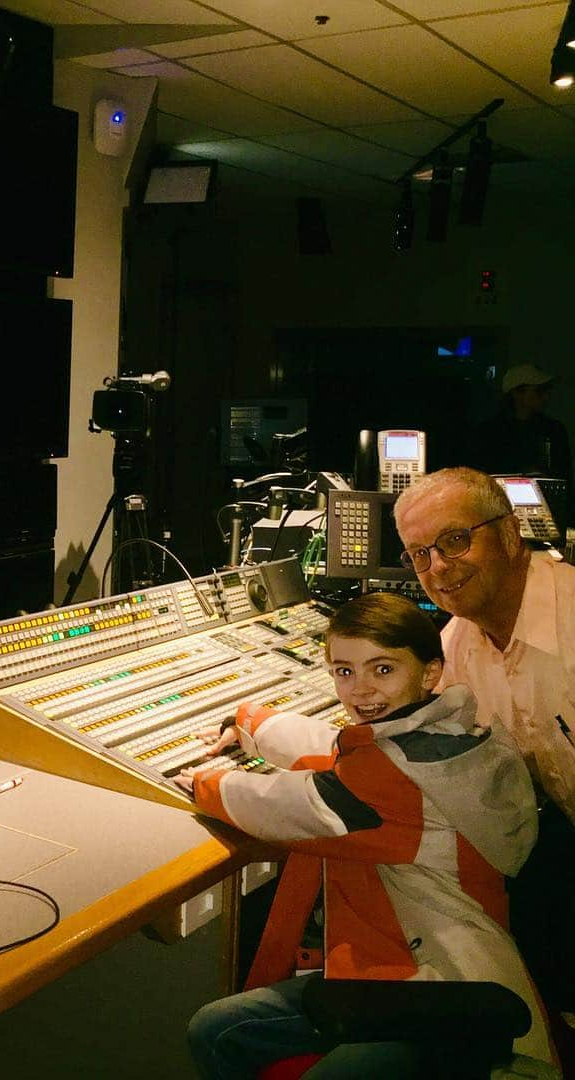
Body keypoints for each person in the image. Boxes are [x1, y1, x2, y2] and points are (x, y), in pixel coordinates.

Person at [175, 592, 552, 1079]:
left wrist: (204, 783)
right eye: (344, 671)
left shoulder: (390, 776)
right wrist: (250, 722)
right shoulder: (449, 733)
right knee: (218, 1026)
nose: (361, 690)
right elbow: (334, 750)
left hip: (439, 987)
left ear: (430, 671)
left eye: (383, 669)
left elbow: (283, 807)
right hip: (413, 964)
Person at [394, 466, 575, 1064]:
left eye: (454, 540)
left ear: (509, 534)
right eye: (420, 554)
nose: (439, 568)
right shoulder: (459, 642)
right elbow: (399, 728)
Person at [466, 363, 572, 491]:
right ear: (516, 393)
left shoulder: (554, 430)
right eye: (539, 391)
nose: (546, 396)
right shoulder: (490, 432)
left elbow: (564, 476)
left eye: (546, 390)